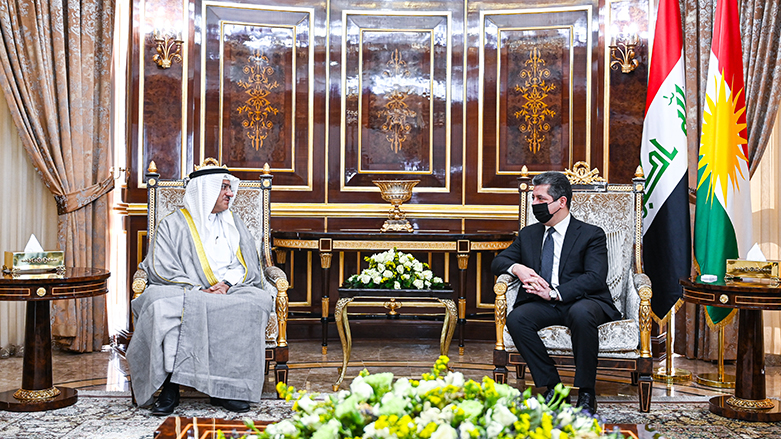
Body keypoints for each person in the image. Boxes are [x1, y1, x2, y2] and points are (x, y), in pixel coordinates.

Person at [127, 165, 276, 415]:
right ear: (205, 192)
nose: (230, 194)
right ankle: (170, 387)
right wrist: (197, 289)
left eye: (230, 188)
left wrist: (226, 284)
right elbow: (160, 268)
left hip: (229, 293)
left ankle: (225, 389)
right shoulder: (171, 225)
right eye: (224, 188)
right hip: (186, 291)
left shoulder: (233, 223)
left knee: (256, 302)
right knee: (157, 302)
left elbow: (245, 265)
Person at [491, 171, 621, 414]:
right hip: (543, 304)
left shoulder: (591, 234)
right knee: (517, 319)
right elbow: (499, 262)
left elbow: (594, 277)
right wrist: (518, 268)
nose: (534, 205)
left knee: (581, 314)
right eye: (533, 199)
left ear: (561, 202)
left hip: (583, 301)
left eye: (541, 199)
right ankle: (553, 387)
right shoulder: (530, 234)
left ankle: (585, 392)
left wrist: (554, 293)